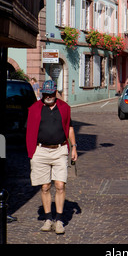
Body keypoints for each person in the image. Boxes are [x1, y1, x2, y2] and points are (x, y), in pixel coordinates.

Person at [26, 80, 78, 234]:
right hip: (40, 151)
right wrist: (32, 151)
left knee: (60, 185)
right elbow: (28, 130)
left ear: (55, 92)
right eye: (45, 93)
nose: (48, 96)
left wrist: (74, 147)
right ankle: (48, 219)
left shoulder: (64, 108)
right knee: (45, 186)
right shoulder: (35, 109)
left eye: (50, 93)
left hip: (60, 150)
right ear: (43, 93)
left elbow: (69, 128)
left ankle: (60, 220)